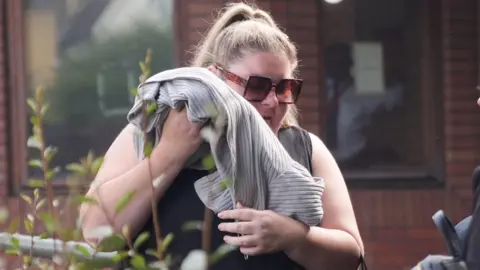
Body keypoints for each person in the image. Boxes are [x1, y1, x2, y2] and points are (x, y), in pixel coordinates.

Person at [79, 3, 364, 270]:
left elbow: (352, 255)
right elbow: (96, 232)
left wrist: (296, 237)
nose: (272, 101)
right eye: (257, 86)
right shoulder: (151, 132)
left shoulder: (304, 147)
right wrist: (169, 153)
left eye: (284, 88)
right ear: (214, 78)